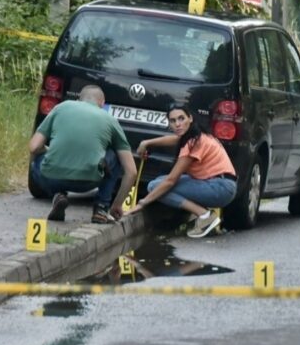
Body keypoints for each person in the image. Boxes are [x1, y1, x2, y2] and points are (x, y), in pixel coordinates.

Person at [124, 104, 237, 238]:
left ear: (190, 118)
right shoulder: (194, 135)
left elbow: (171, 181)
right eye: (173, 121)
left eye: (181, 118)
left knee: (157, 186)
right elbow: (173, 140)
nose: (177, 124)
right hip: (217, 184)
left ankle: (204, 215)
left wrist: (142, 204)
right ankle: (203, 215)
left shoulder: (194, 142)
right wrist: (146, 143)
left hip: (220, 188)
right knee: (157, 183)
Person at [29, 85, 137, 223]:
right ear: (102, 103)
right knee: (115, 154)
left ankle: (58, 195)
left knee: (37, 162)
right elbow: (132, 172)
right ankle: (101, 208)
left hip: (51, 179)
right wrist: (117, 205)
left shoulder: (61, 108)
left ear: (79, 99)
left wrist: (49, 150)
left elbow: (33, 147)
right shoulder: (110, 120)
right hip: (88, 181)